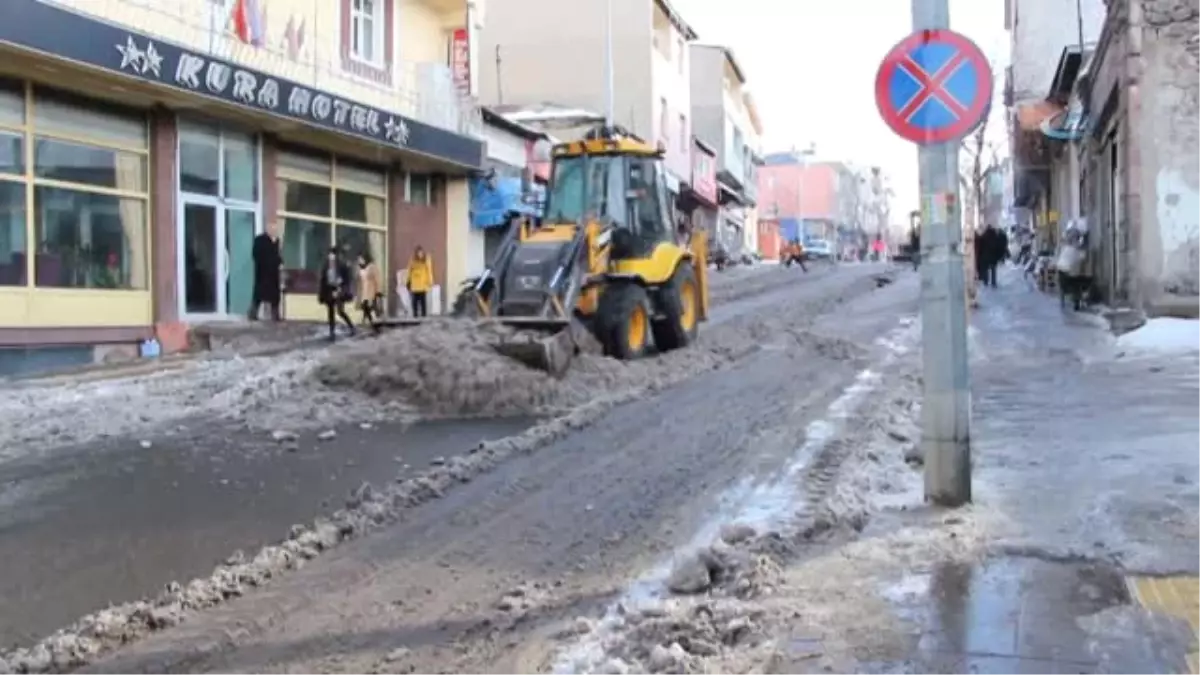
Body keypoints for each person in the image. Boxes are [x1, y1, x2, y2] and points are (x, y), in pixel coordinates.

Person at [319, 247, 355, 341]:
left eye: (333, 255)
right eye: (330, 255)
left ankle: (351, 327)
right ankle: (332, 332)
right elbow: (323, 280)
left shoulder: (341, 265)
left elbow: (347, 278)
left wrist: (341, 286)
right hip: (329, 290)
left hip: (339, 289)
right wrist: (322, 294)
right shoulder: (326, 265)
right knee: (330, 312)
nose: (331, 257)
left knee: (340, 311)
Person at [249, 223, 282, 321]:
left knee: (275, 296)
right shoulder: (260, 240)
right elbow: (255, 254)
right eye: (272, 229)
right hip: (262, 272)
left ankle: (275, 315)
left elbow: (277, 255)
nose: (274, 231)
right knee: (259, 294)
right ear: (267, 229)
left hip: (273, 274)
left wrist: (280, 262)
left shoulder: (276, 241)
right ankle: (253, 313)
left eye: (275, 230)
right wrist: (262, 263)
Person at [355, 252, 383, 334]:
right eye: (359, 260)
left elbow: (377, 279)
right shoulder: (362, 268)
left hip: (371, 291)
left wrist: (378, 291)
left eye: (361, 259)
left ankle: (375, 324)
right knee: (365, 307)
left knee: (371, 308)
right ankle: (371, 324)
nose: (360, 261)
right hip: (365, 292)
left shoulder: (372, 267)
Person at [406, 246, 434, 318]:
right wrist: (408, 281)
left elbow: (429, 271)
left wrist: (430, 281)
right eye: (418, 253)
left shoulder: (426, 260)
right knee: (414, 301)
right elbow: (409, 271)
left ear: (423, 253)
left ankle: (423, 315)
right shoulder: (412, 260)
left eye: (421, 252)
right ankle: (415, 315)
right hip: (414, 284)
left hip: (422, 284)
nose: (419, 254)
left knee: (423, 301)